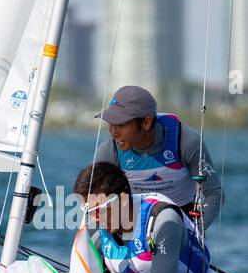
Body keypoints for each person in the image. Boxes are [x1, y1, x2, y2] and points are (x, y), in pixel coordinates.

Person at [73, 161, 215, 273]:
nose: (94, 218)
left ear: (123, 200)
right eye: (88, 210)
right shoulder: (99, 227)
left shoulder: (164, 221)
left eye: (99, 209)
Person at [92, 85, 223, 227]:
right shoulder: (109, 150)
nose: (113, 132)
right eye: (111, 123)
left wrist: (196, 231)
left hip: (181, 220)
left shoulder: (186, 142)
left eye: (121, 125)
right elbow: (97, 200)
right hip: (134, 221)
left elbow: (215, 193)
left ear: (146, 122)